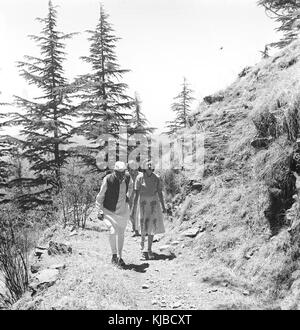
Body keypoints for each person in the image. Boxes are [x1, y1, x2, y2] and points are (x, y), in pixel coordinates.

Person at [95, 161, 133, 267]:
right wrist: (99, 210)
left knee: (121, 233)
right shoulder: (107, 179)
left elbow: (130, 187)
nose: (121, 175)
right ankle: (114, 255)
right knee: (112, 231)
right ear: (115, 171)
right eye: (119, 173)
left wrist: (129, 196)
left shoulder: (128, 177)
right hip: (108, 210)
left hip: (123, 210)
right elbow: (100, 196)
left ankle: (120, 257)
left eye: (123, 172)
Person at [131, 161, 167, 260]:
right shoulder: (139, 178)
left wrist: (163, 207)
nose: (150, 167)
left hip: (153, 203)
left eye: (151, 165)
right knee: (143, 225)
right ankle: (142, 245)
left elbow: (160, 193)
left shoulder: (157, 178)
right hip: (142, 203)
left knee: (151, 226)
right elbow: (136, 194)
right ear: (144, 167)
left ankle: (149, 249)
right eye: (148, 165)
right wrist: (133, 208)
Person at [127, 160, 141, 237]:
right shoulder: (127, 175)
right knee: (131, 214)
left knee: (137, 213)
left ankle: (137, 230)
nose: (132, 170)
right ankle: (134, 228)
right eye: (130, 168)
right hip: (130, 197)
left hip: (139, 197)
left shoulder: (141, 175)